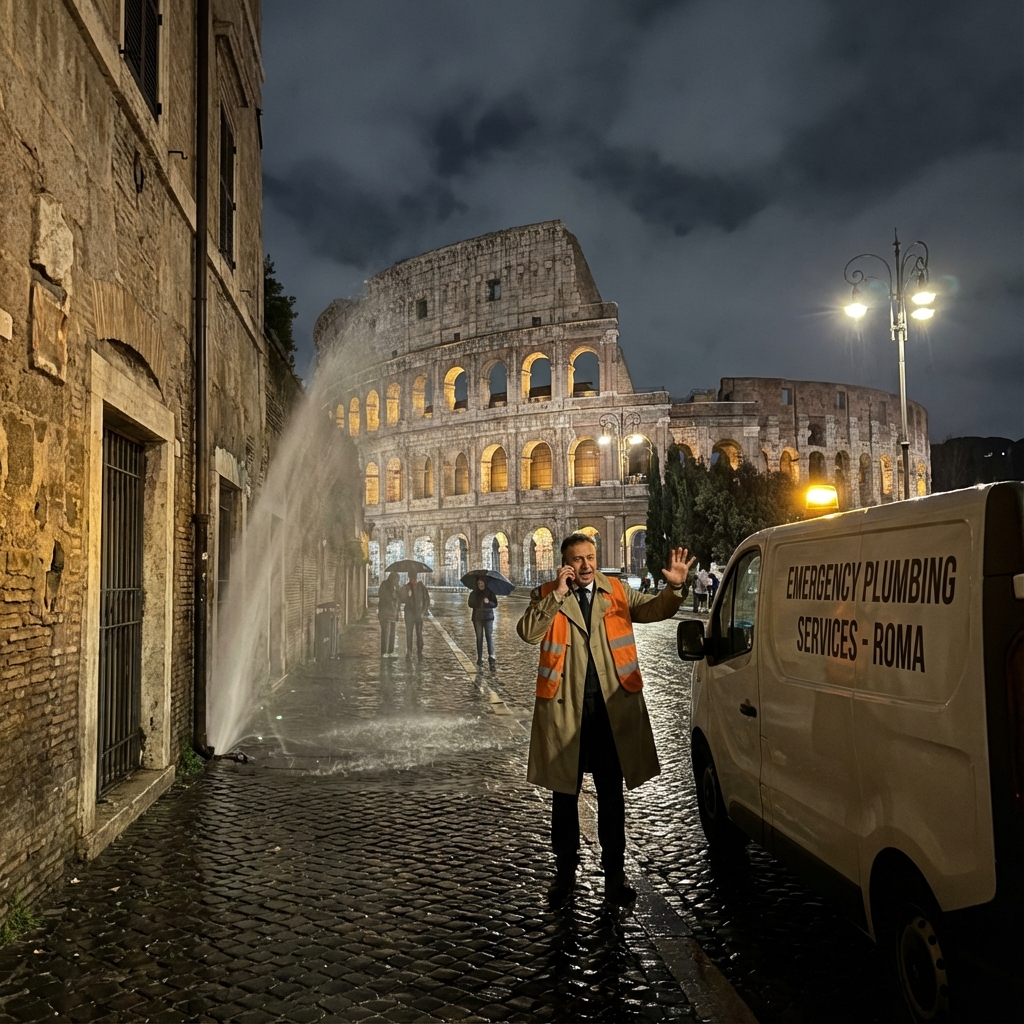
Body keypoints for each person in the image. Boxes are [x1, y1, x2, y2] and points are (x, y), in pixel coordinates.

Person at [517, 532, 694, 905]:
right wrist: (557, 596)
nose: (586, 565)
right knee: (564, 798)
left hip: (611, 713)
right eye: (578, 559)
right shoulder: (548, 593)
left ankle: (615, 876)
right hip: (566, 714)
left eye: (590, 557)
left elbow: (654, 610)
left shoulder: (615, 590)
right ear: (565, 564)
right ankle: (564, 873)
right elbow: (529, 633)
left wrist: (675, 587)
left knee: (612, 798)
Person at [468, 577, 498, 670]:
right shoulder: (473, 593)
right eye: (479, 583)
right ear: (477, 584)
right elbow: (470, 604)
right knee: (479, 637)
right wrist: (478, 601)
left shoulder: (490, 592)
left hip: (488, 617)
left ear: (485, 583)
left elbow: (495, 604)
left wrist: (488, 602)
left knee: (489, 636)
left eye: (482, 582)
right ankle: (480, 657)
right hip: (477, 618)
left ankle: (491, 656)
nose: (481, 584)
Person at [400, 571, 430, 659]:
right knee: (409, 633)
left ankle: (419, 651)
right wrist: (407, 594)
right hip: (409, 613)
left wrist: (423, 611)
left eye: (414, 578)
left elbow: (426, 600)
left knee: (419, 633)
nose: (412, 580)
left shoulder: (421, 587)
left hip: (418, 613)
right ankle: (409, 651)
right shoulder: (406, 587)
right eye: (411, 578)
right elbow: (401, 599)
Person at [377, 571, 400, 656]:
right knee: (385, 632)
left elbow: (399, 599)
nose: (396, 582)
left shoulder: (396, 587)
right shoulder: (384, 585)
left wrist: (397, 591)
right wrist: (392, 597)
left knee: (392, 633)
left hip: (393, 613)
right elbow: (383, 597)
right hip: (385, 613)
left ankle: (391, 651)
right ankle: (384, 651)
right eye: (396, 580)